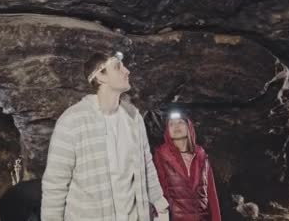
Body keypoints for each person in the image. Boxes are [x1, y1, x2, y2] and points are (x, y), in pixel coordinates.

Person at [41, 51, 169, 221]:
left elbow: (146, 165)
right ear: (100, 77)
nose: (127, 71)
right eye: (118, 67)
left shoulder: (133, 117)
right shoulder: (73, 120)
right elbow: (55, 184)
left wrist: (160, 204)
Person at [153, 112, 222, 221]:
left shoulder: (202, 157)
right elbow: (157, 193)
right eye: (171, 124)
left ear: (189, 127)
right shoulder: (161, 156)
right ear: (167, 131)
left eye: (180, 122)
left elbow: (212, 195)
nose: (176, 126)